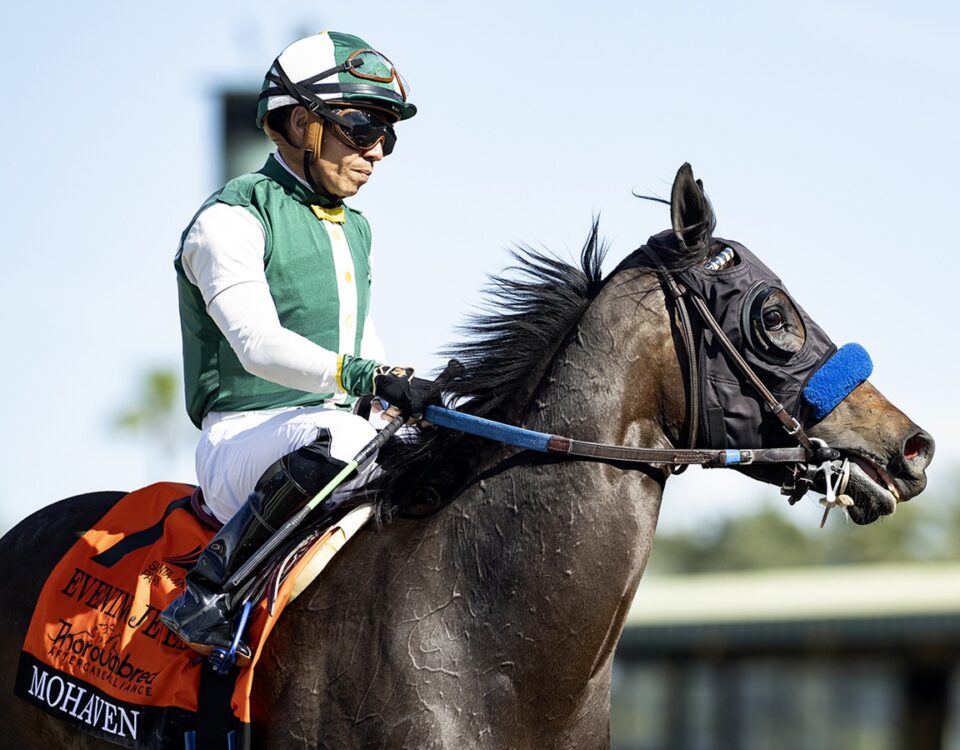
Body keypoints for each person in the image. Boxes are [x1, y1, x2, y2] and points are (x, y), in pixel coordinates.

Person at [160, 31, 437, 661]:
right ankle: (209, 593)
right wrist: (368, 379)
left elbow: (360, 343)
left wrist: (404, 389)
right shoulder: (228, 218)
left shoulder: (356, 228)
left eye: (387, 136)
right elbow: (258, 345)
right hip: (242, 443)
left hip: (325, 434)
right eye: (363, 128)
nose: (377, 153)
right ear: (299, 122)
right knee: (342, 438)